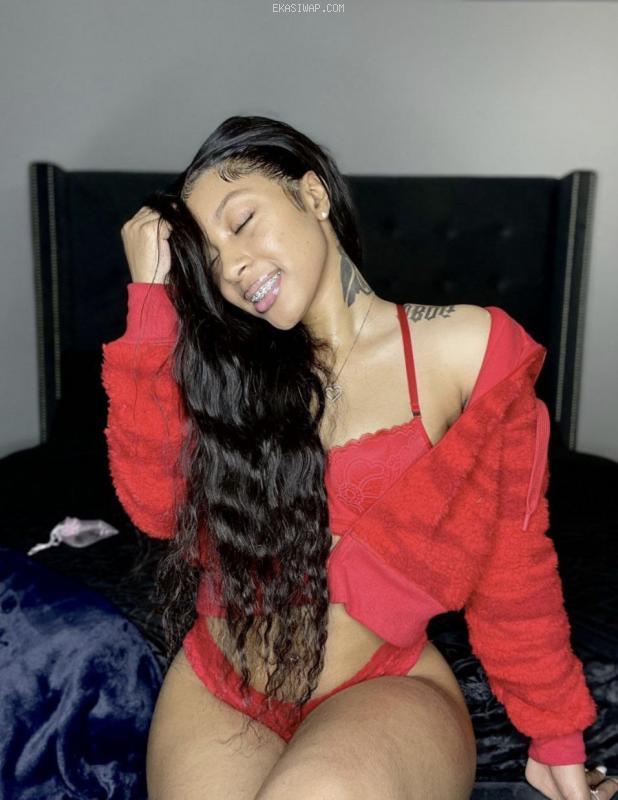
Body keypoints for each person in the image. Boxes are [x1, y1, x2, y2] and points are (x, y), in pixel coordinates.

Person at [101, 115, 614, 800]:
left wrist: (555, 736)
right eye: (211, 259)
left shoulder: (465, 349)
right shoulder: (226, 374)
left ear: (313, 194)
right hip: (218, 686)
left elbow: (514, 561)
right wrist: (151, 303)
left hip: (378, 687)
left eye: (243, 222)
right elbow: (157, 508)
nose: (234, 266)